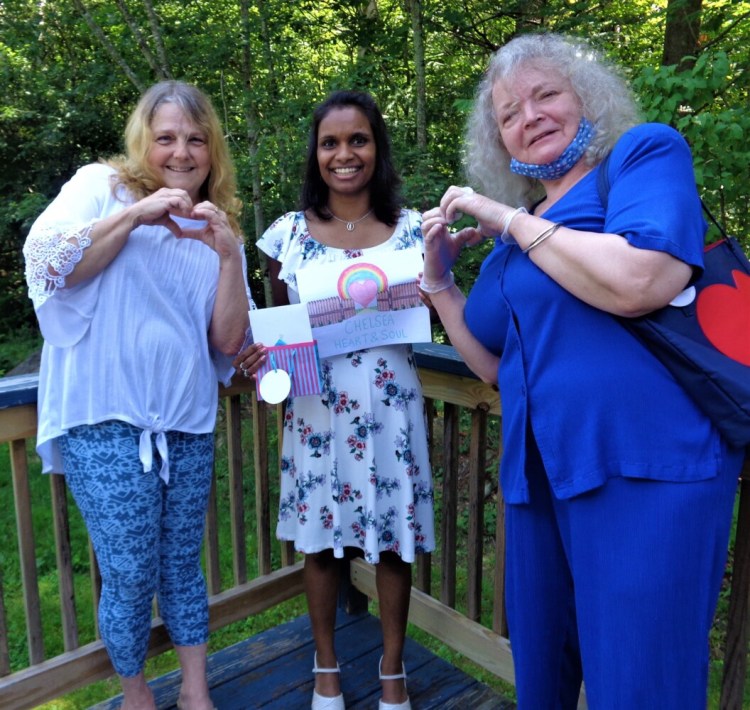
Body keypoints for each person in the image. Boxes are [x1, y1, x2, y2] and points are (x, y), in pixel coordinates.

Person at [420, 33, 745, 710]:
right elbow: (490, 366)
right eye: (508, 112)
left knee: (640, 683)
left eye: (546, 94)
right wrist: (440, 282)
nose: (528, 116)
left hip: (648, 469)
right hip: (539, 481)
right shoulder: (522, 227)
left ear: (586, 99)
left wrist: (508, 221)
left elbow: (644, 279)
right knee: (544, 680)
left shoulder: (640, 157)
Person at [23, 80, 266, 710]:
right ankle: (135, 693)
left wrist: (230, 256)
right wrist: (137, 213)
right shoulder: (99, 186)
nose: (181, 153)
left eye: (195, 139)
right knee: (129, 571)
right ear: (143, 141)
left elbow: (230, 338)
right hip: (102, 417)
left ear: (213, 150)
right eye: (166, 138)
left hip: (185, 418)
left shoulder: (218, 223)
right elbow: (48, 263)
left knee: (182, 562)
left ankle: (194, 690)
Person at [236, 89, 434, 710]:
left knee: (394, 541)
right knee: (321, 543)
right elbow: (279, 323)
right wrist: (261, 353)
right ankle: (326, 669)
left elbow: (443, 302)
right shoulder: (288, 235)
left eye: (358, 140)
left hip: (392, 408)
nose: (344, 154)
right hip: (319, 410)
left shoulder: (413, 230)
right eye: (331, 142)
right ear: (315, 153)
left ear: (377, 147)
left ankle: (392, 673)